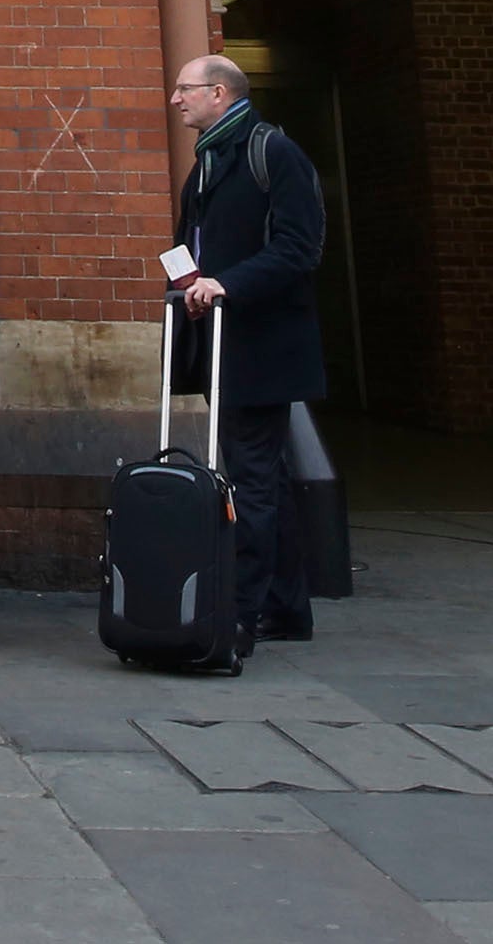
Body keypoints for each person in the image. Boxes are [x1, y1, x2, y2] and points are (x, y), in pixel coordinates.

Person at [166, 53, 329, 644]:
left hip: (262, 347)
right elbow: (200, 242)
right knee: (267, 479)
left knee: (254, 480)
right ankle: (287, 608)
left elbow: (299, 247)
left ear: (217, 92)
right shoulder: (210, 160)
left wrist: (225, 283)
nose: (176, 99)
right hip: (225, 344)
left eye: (185, 89)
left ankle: (240, 613)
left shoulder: (270, 152)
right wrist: (189, 279)